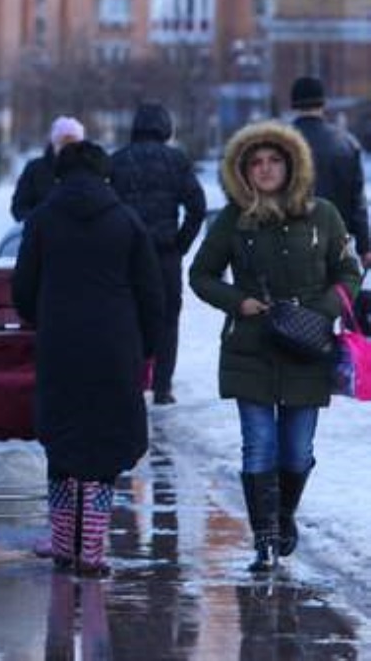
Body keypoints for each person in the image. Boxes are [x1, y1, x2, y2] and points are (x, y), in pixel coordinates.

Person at [189, 121, 362, 572]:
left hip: (308, 347)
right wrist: (237, 301)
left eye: (274, 161)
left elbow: (348, 272)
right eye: (256, 163)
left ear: (292, 165)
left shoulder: (323, 214)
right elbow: (200, 275)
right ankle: (264, 538)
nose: (265, 170)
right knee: (259, 444)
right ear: (243, 171)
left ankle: (282, 516)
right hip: (251, 347)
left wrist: (322, 310)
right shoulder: (234, 218)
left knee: (297, 450)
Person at [11, 141, 164, 577]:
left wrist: (44, 315)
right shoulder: (127, 221)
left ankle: (63, 543)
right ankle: (92, 548)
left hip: (61, 342)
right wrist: (146, 347)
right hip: (116, 345)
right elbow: (151, 294)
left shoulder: (41, 220)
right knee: (107, 442)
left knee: (62, 439)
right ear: (106, 175)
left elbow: (23, 289)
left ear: (59, 174)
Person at [110, 103, 208, 405]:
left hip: (126, 253)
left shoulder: (117, 161)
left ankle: (131, 381)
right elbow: (197, 207)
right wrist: (181, 245)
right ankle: (163, 387)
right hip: (165, 254)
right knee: (167, 319)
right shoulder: (176, 160)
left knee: (128, 317)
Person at [290, 76, 371, 268]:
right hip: (336, 243)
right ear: (323, 103)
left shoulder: (279, 143)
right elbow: (357, 201)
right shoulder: (346, 143)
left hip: (289, 244)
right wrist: (365, 247)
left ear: (293, 103)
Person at [11, 116, 85, 223]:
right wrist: (39, 223)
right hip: (41, 235)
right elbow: (19, 207)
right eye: (63, 142)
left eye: (73, 143)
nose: (68, 148)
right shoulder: (35, 169)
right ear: (54, 142)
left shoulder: (88, 170)